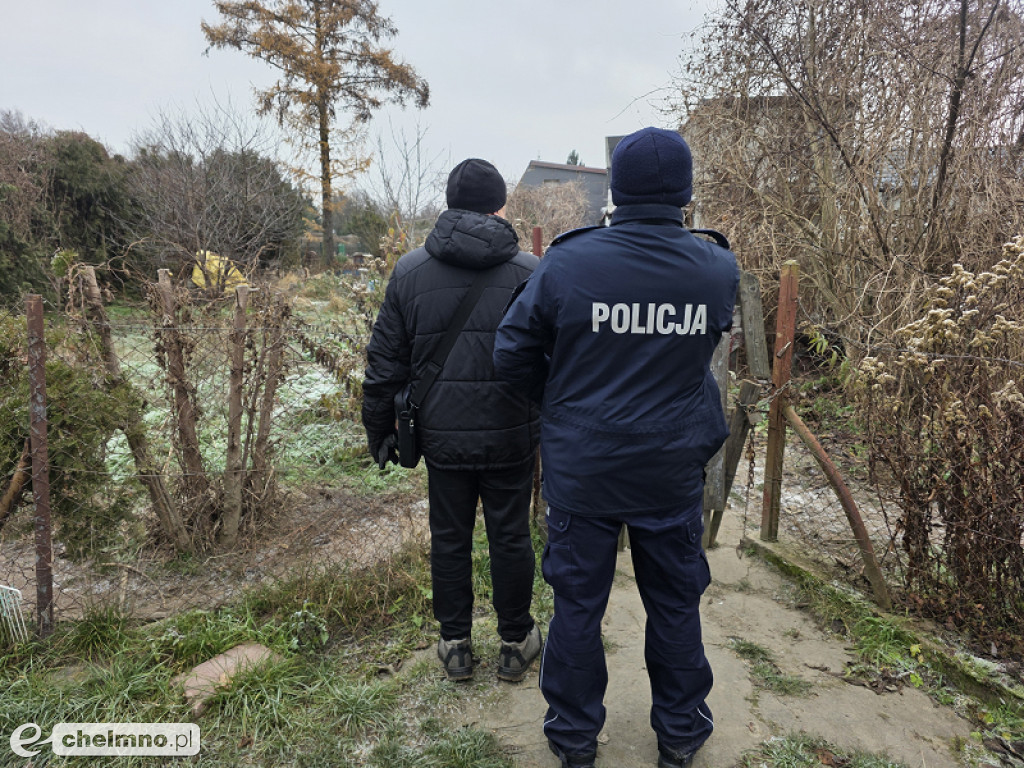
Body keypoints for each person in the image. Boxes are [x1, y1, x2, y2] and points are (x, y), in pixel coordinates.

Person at [494, 127, 739, 768]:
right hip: (670, 470)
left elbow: (510, 352)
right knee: (675, 605)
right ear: (685, 193)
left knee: (577, 606)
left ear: (615, 189)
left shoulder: (570, 262)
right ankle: (681, 736)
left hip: (585, 471)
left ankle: (574, 740)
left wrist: (563, 402)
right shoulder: (716, 266)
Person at [362, 158, 543, 683]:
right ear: (500, 206)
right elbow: (552, 358)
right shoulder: (532, 272)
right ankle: (514, 644)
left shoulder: (410, 271)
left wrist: (379, 430)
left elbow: (385, 363)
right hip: (512, 432)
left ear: (448, 203)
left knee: (449, 537)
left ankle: (456, 645)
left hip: (440, 436)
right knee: (511, 536)